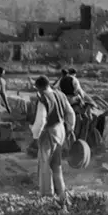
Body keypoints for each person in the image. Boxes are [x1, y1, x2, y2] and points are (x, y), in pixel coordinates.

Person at [27, 75, 76, 206]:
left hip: (49, 132)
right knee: (57, 164)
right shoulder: (60, 94)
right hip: (61, 130)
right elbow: (70, 113)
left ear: (39, 87)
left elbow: (41, 120)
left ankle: (47, 195)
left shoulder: (44, 99)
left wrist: (35, 134)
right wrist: (70, 128)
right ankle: (61, 191)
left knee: (45, 164)